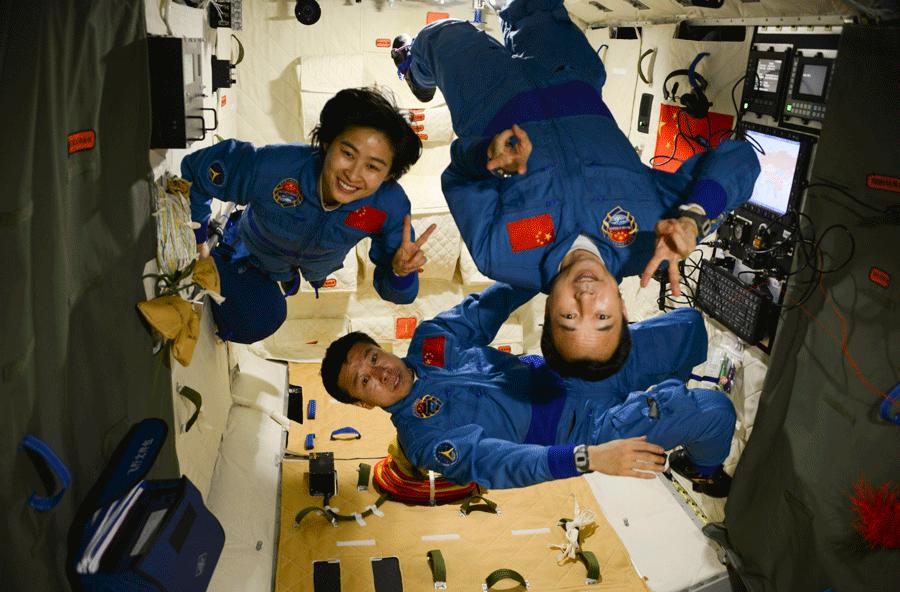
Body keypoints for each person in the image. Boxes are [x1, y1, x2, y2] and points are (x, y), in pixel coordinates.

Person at [390, 0, 761, 379]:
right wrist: (696, 214)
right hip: (569, 78)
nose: (585, 300)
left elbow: (460, 179)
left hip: (490, 99)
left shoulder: (501, 253)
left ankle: (414, 69)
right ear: (621, 308)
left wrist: (485, 153)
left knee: (443, 35)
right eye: (602, 317)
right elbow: (742, 157)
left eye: (569, 317)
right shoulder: (657, 236)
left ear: (549, 313)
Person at [321, 283, 735, 496]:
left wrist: (545, 269)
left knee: (686, 328)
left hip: (567, 371)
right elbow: (503, 463)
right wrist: (589, 457)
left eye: (372, 358)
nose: (379, 374)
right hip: (581, 432)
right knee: (716, 411)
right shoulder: (424, 440)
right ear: (361, 402)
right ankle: (704, 471)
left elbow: (491, 303)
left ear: (381, 349)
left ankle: (669, 400)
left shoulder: (433, 340)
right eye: (364, 381)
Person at [181, 87, 436, 343]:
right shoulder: (278, 167)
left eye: (372, 167)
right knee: (263, 317)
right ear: (327, 143)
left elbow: (399, 295)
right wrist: (200, 239)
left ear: (388, 175)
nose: (354, 174)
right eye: (347, 154)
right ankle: (222, 255)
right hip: (250, 253)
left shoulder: (388, 207)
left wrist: (400, 272)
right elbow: (198, 170)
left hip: (299, 269)